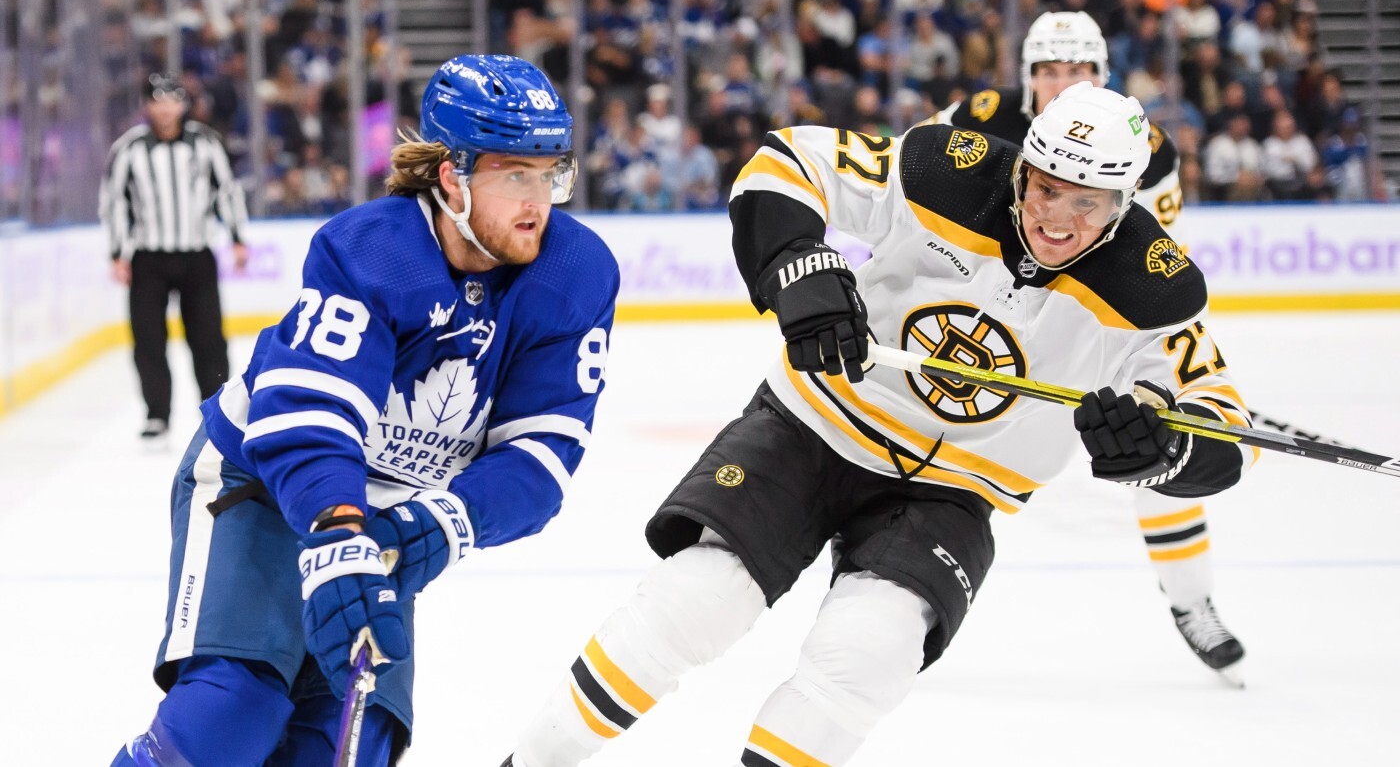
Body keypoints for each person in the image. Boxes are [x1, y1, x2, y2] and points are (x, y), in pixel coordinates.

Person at [503, 84, 1254, 766]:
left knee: (870, 651)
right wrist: (797, 263)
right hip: (814, 424)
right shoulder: (946, 170)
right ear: (1024, 167)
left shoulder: (1153, 285)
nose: (1056, 217)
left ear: (1124, 202)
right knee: (695, 601)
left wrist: (1166, 448)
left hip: (956, 490)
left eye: (1086, 203)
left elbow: (1224, 423)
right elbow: (786, 160)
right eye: (1046, 187)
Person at [111, 54, 619, 766]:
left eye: (549, 174)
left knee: (349, 745)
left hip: (383, 518)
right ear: (452, 176)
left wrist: (439, 524)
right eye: (514, 176)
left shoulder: (576, 272)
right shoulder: (375, 251)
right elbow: (310, 411)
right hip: (261, 486)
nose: (538, 200)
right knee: (230, 715)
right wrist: (338, 528)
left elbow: (542, 452)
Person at [922, 11, 1246, 677]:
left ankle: (1191, 601)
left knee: (1154, 450)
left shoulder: (1146, 147)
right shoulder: (982, 117)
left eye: (1078, 70)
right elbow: (910, 181)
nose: (1064, 83)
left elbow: (1156, 262)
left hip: (1091, 318)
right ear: (1026, 76)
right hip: (983, 313)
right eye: (1049, 70)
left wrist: (1171, 385)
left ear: (1102, 74)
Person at [99, 71, 250, 442]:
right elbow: (114, 201)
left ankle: (214, 409)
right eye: (158, 101)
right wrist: (117, 252)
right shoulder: (129, 148)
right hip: (148, 257)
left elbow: (227, 191)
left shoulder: (206, 143)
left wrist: (237, 237)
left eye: (173, 100)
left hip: (197, 255)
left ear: (184, 104)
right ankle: (157, 414)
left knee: (209, 337)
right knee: (148, 338)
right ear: (146, 106)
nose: (166, 109)